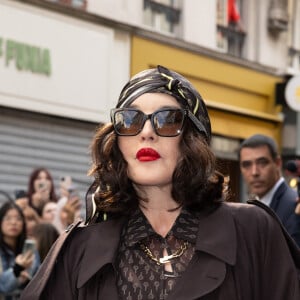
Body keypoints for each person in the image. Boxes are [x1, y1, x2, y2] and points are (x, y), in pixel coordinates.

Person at [20, 65, 300, 300]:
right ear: (117, 141)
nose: (146, 131)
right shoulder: (79, 249)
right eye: (130, 120)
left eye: (166, 120)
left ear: (193, 139)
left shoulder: (254, 231)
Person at [238, 133, 300, 247]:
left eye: (262, 163)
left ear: (277, 163)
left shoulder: (294, 206)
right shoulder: (253, 207)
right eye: (247, 165)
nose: (254, 172)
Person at [0, 202, 40, 299]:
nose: (13, 222)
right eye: (8, 218)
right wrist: (17, 269)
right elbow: (3, 286)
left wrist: (27, 275)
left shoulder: (30, 248)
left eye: (18, 218)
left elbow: (39, 278)